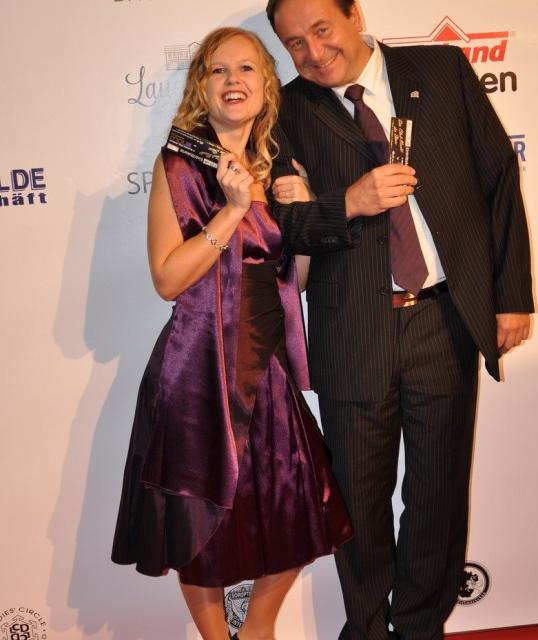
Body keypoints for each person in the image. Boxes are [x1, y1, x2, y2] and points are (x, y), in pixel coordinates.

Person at [266, 1, 534, 638]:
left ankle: (418, 628)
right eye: (294, 43)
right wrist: (347, 203)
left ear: (353, 13)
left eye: (321, 30)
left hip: (443, 320)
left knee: (438, 493)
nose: (313, 53)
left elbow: (498, 178)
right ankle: (364, 630)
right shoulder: (284, 110)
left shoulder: (440, 72)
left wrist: (511, 294)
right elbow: (281, 231)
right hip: (350, 330)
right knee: (357, 500)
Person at [111, 26, 353, 640]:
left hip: (266, 364)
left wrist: (302, 216)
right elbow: (167, 279)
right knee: (200, 515)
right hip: (199, 367)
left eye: (246, 68)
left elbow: (292, 279)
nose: (233, 80)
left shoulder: (275, 165)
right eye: (218, 70)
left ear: (266, 85)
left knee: (304, 503)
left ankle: (258, 631)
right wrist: (233, 210)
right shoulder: (180, 165)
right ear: (202, 87)